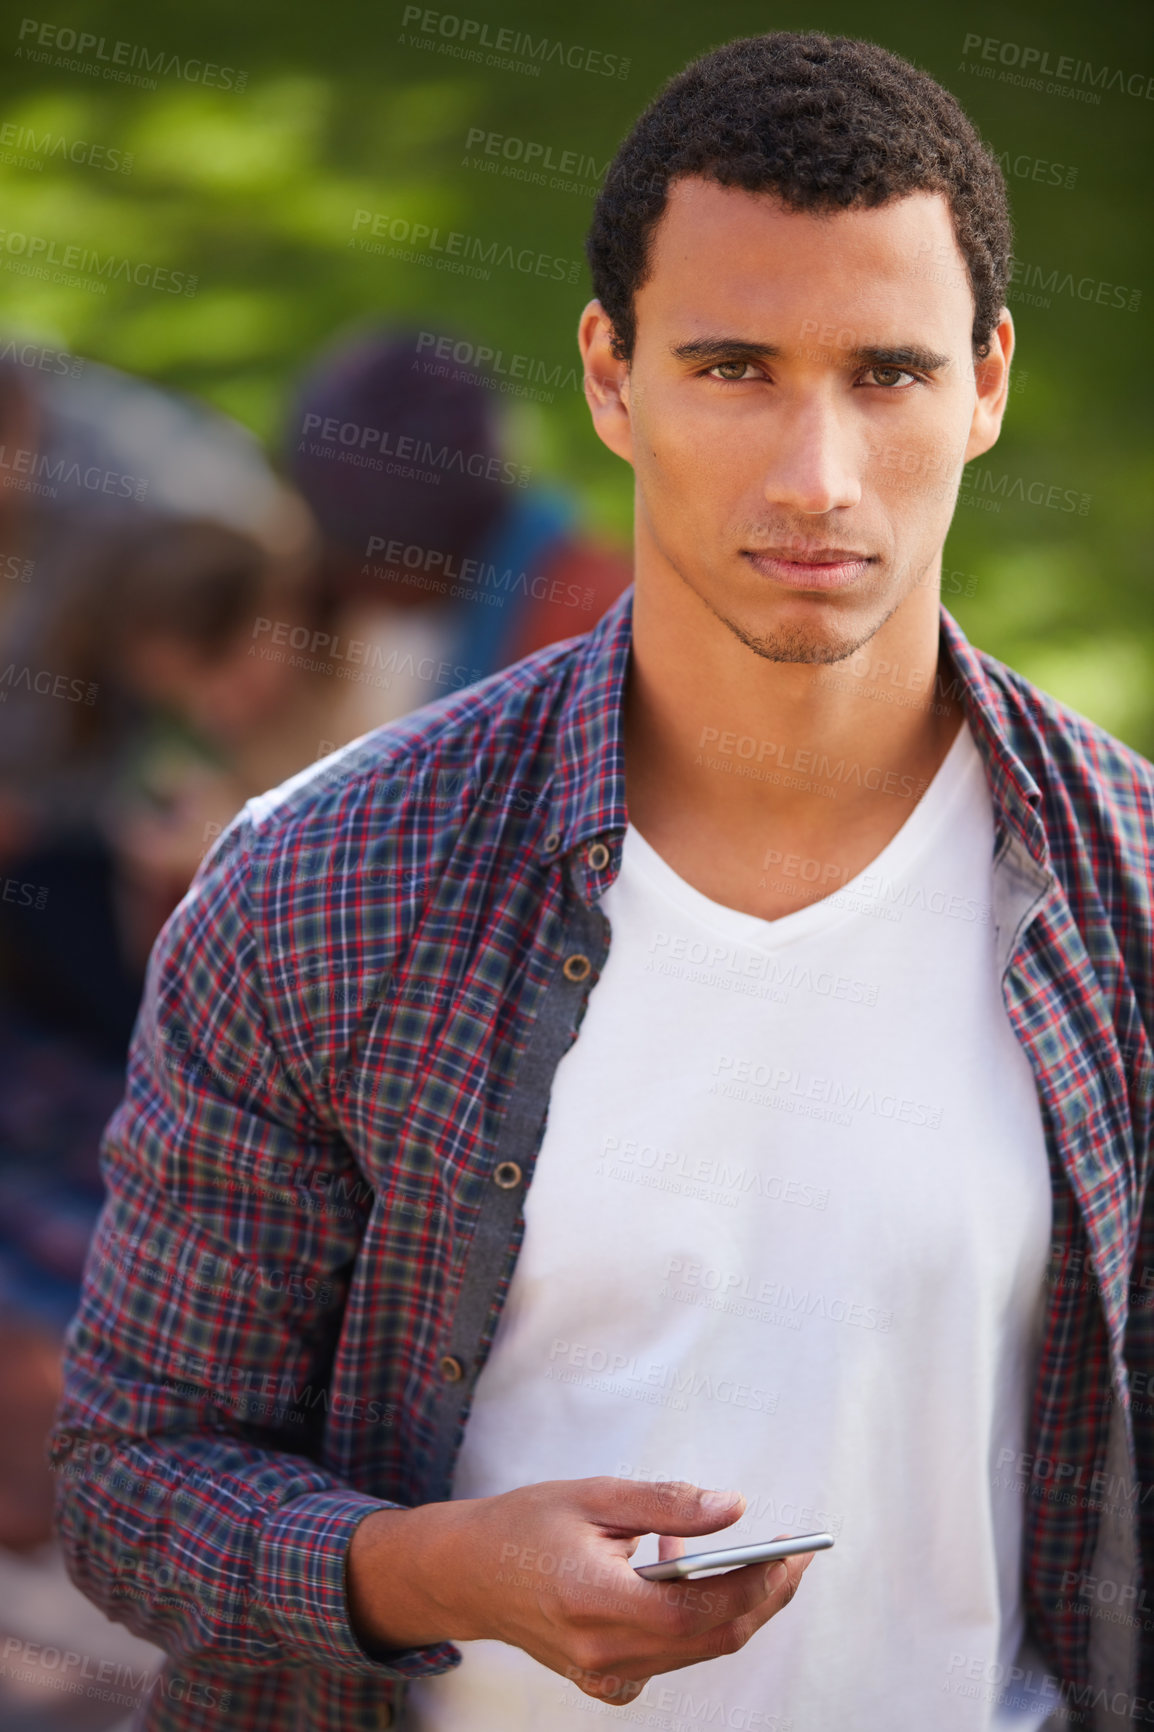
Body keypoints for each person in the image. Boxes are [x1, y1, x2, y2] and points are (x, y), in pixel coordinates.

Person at [50, 32, 1152, 1732]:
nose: (815, 477)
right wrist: (422, 1572)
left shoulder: (1130, 896)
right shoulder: (320, 888)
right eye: (730, 368)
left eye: (885, 372)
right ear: (609, 377)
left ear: (987, 380)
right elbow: (131, 1480)